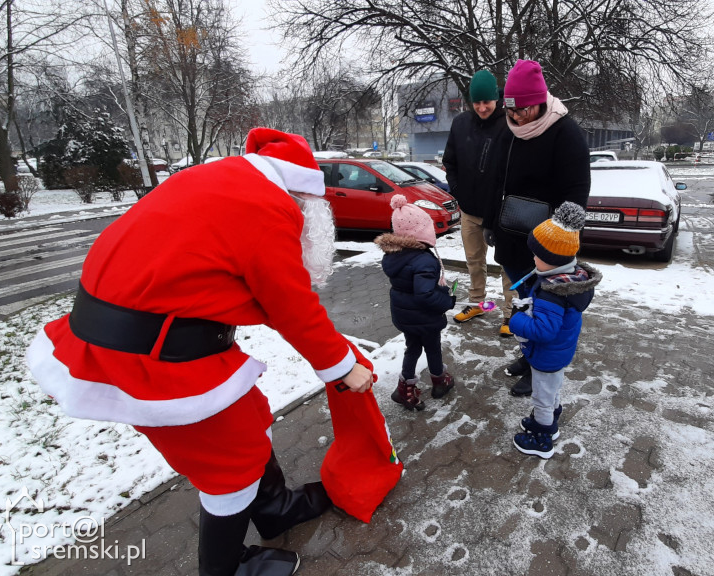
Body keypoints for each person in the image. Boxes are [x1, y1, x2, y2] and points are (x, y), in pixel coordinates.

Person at [26, 128, 376, 576]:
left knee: (249, 415)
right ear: (299, 194)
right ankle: (226, 569)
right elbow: (291, 306)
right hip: (152, 358)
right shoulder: (268, 208)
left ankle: (275, 509)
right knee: (229, 468)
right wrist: (344, 369)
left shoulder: (220, 179)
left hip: (147, 334)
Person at [485, 58, 591, 397]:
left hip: (546, 243)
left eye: (523, 110)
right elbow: (495, 180)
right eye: (511, 111)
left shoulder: (565, 133)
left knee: (544, 305)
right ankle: (528, 354)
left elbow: (576, 194)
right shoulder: (508, 131)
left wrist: (559, 242)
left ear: (540, 100)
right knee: (523, 299)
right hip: (511, 233)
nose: (516, 117)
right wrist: (489, 221)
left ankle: (539, 365)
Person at [508, 202, 601, 459]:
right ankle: (549, 419)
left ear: (552, 259)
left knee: (542, 396)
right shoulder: (567, 281)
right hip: (558, 353)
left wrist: (516, 320)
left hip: (547, 354)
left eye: (537, 255)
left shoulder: (553, 293)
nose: (533, 259)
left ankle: (542, 436)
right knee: (552, 390)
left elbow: (544, 330)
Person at [442, 69, 514, 335]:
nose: (482, 107)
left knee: (508, 264)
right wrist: (458, 190)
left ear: (496, 98)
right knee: (474, 261)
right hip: (470, 211)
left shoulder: (509, 123)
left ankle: (510, 313)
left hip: (502, 212)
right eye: (477, 102)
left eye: (487, 101)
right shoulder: (461, 123)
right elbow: (449, 162)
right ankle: (478, 303)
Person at [375, 195, 458, 410]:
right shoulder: (423, 260)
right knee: (432, 348)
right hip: (424, 317)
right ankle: (439, 382)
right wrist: (447, 301)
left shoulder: (395, 255)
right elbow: (425, 295)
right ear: (420, 231)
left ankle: (405, 389)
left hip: (404, 314)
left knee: (412, 348)